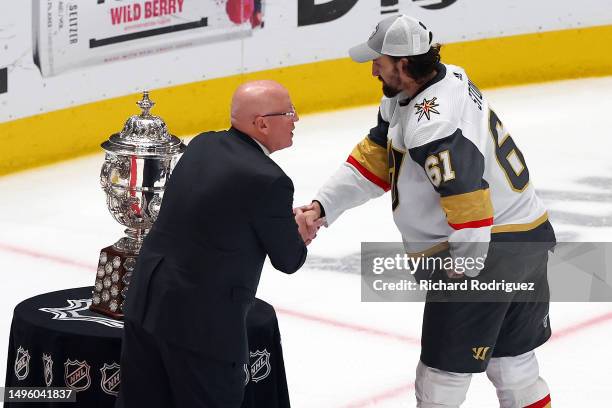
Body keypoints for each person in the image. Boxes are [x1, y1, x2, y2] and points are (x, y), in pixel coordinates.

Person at [296, 15, 555, 408]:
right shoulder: (444, 79)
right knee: (515, 367)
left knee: (440, 381)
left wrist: (467, 266)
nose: (372, 69)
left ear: (402, 65)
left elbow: (467, 196)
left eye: (378, 62)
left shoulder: (430, 123)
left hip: (489, 250)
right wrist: (323, 206)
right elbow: (377, 158)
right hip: (528, 235)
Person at [116, 80, 314, 408]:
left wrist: (278, 221)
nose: (296, 119)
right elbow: (288, 258)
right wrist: (299, 230)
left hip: (146, 303)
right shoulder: (269, 180)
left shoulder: (203, 144)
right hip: (201, 329)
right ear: (261, 123)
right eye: (289, 112)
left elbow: (220, 214)